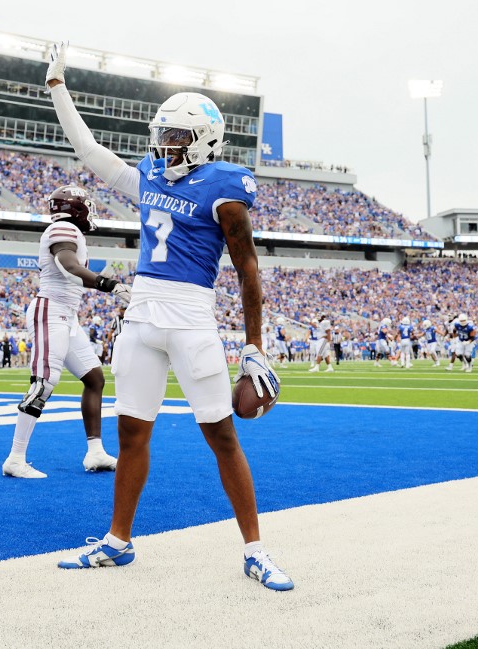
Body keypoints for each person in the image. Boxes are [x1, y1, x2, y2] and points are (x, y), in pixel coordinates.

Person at [45, 44, 291, 591]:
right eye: (163, 134)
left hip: (190, 318)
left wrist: (254, 345)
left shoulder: (225, 190)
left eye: (177, 136)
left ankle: (256, 550)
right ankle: (117, 541)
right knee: (131, 432)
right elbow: (89, 151)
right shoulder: (150, 179)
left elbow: (249, 270)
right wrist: (58, 88)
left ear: (203, 140)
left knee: (222, 436)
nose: (166, 144)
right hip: (141, 318)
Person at [1, 185, 130, 478]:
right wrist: (110, 285)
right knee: (44, 383)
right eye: (86, 205)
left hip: (66, 316)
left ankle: (95, 451)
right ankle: (15, 458)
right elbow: (69, 267)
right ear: (76, 208)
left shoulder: (70, 231)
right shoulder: (64, 229)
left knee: (94, 379)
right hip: (51, 310)